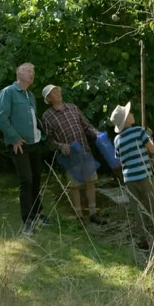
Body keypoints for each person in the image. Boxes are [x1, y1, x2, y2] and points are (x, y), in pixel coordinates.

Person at [0, 62, 48, 237]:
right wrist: (15, 137)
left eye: (33, 71)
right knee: (27, 180)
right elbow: (1, 117)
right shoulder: (8, 92)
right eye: (27, 71)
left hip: (34, 143)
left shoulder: (30, 95)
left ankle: (38, 213)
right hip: (19, 145)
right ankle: (28, 221)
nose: (31, 74)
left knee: (37, 178)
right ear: (18, 74)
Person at [41, 84, 104, 225]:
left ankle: (93, 214)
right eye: (53, 93)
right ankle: (79, 216)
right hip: (70, 155)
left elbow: (86, 125)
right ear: (48, 99)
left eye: (58, 90)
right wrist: (60, 146)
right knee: (74, 186)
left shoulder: (73, 108)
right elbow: (48, 140)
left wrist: (98, 134)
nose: (57, 93)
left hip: (84, 150)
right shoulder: (47, 116)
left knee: (90, 182)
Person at [110, 101, 154, 250]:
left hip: (129, 178)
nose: (132, 114)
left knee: (138, 209)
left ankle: (143, 239)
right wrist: (149, 137)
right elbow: (152, 150)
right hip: (144, 175)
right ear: (126, 120)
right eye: (129, 113)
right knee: (153, 206)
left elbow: (119, 159)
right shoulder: (139, 131)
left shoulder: (117, 139)